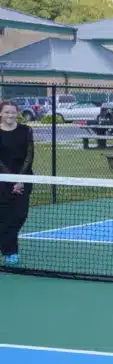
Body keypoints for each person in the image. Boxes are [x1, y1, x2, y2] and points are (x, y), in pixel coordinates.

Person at [0, 99, 34, 265]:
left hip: (24, 179)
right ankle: (10, 252)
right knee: (4, 216)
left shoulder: (26, 130)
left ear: (17, 113)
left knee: (19, 215)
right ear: (1, 113)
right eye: (6, 112)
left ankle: (6, 246)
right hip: (2, 180)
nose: (10, 115)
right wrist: (11, 180)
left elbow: (29, 155)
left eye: (13, 112)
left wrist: (20, 180)